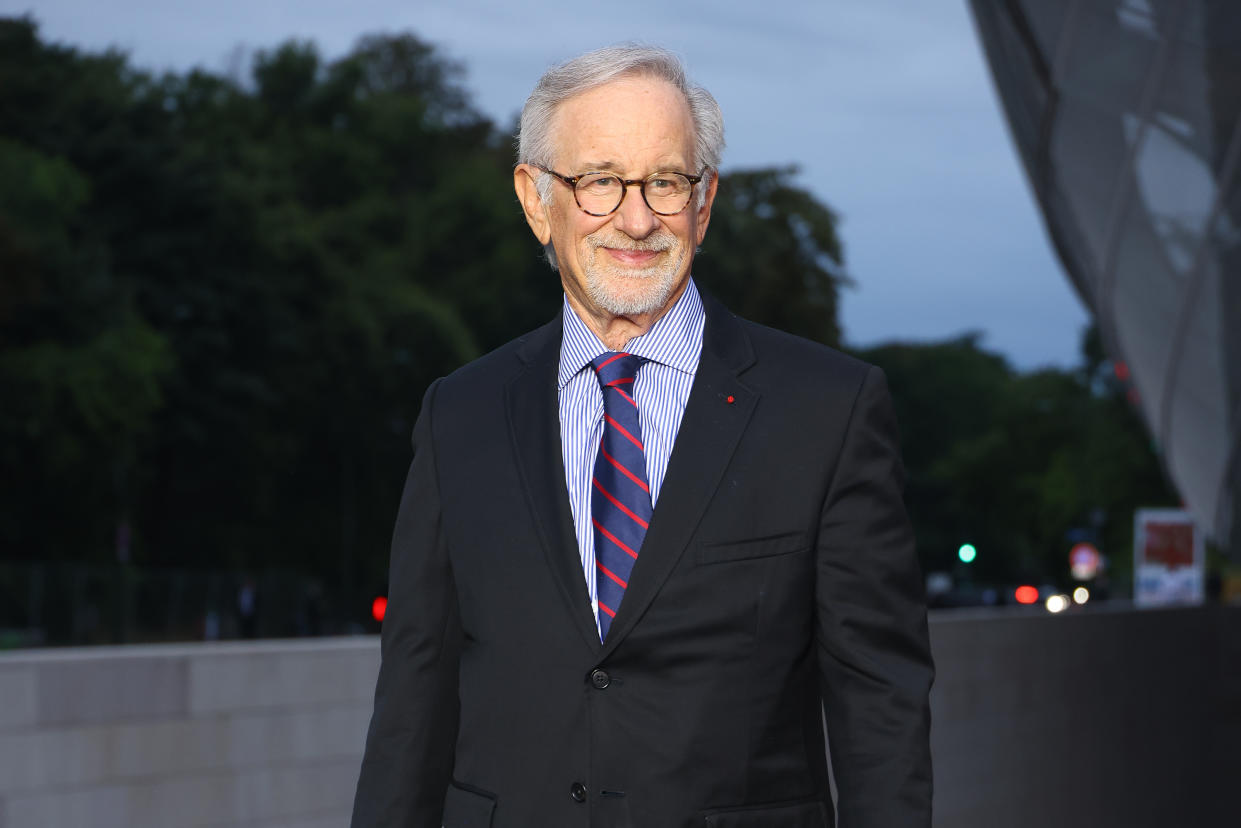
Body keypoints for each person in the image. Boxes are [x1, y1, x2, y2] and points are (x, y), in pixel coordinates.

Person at [351, 44, 933, 828]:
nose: (636, 218)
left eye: (665, 181)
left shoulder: (827, 410)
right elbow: (412, 704)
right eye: (598, 182)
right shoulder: (459, 414)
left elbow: (879, 708)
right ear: (535, 199)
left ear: (703, 201)